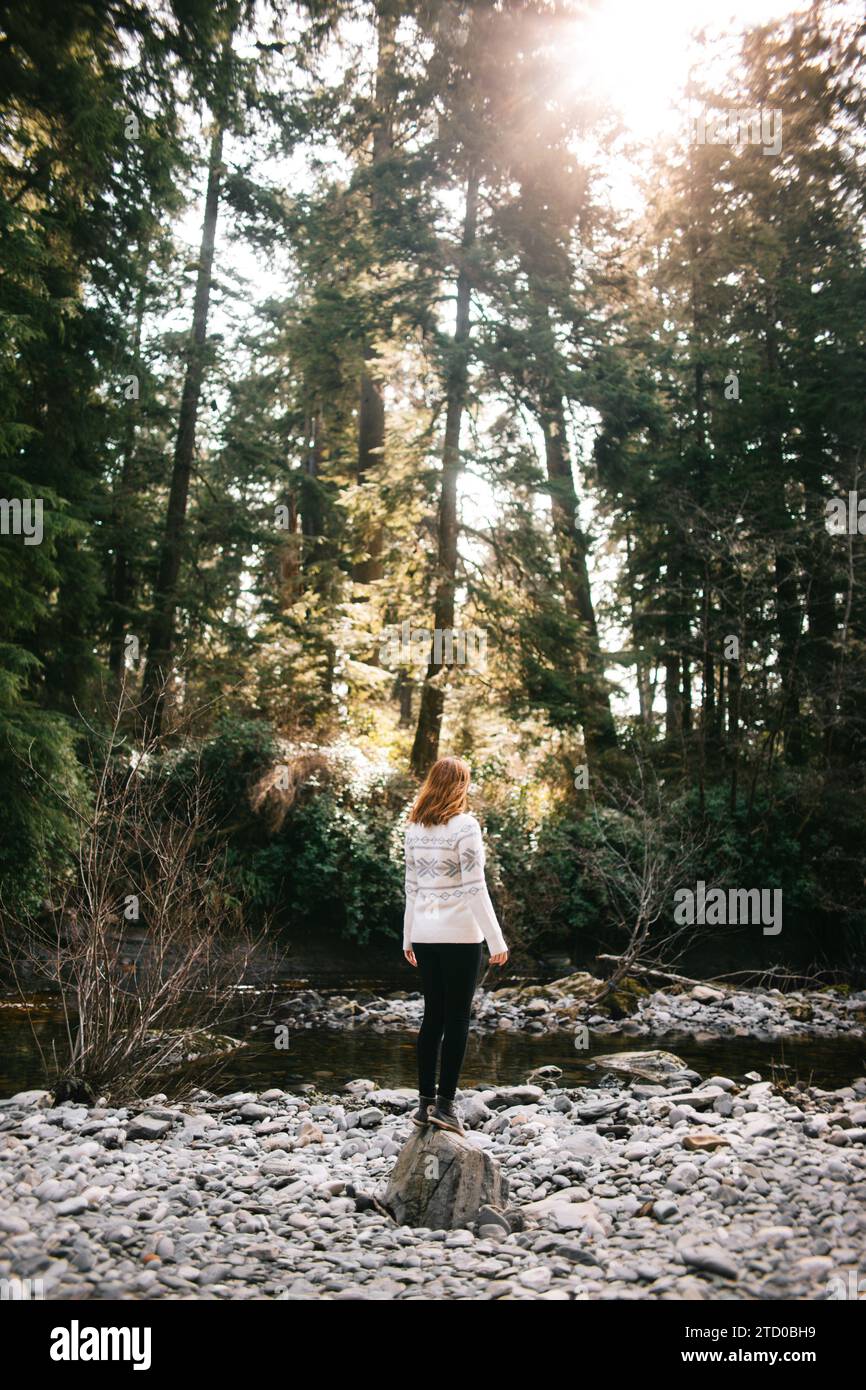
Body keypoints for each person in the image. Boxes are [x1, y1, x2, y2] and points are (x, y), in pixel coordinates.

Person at [403, 755, 509, 1135]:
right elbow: (474, 888)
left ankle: (424, 1105)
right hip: (461, 936)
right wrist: (496, 939)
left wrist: (407, 937)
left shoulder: (414, 827)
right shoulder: (466, 826)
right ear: (460, 785)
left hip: (425, 936)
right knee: (458, 1018)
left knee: (433, 1017)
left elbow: (411, 888)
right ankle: (446, 1107)